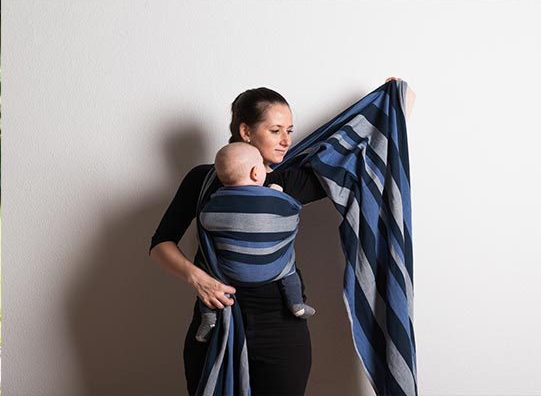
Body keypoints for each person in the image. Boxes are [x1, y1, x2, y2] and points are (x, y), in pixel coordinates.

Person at [150, 78, 414, 396]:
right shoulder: (201, 181)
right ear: (246, 132)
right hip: (216, 323)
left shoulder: (290, 180)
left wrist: (393, 100)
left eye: (289, 130)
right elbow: (161, 242)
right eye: (275, 130)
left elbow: (364, 152)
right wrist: (197, 278)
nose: (286, 140)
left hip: (281, 327)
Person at [194, 142, 316, 343]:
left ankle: (208, 316)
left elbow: (205, 221)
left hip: (229, 275)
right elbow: (292, 212)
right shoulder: (275, 197)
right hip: (274, 271)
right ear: (255, 172)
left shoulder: (214, 201)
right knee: (289, 264)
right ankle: (296, 303)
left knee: (206, 266)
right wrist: (276, 193)